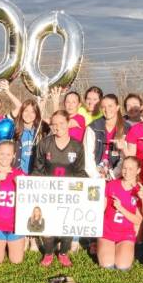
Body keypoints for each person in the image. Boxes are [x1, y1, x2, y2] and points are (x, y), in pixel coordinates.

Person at [33, 110, 88, 267]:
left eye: (61, 123)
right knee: (47, 224)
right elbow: (38, 169)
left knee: (68, 225)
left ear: (68, 123)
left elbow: (79, 171)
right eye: (54, 124)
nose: (58, 127)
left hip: (68, 193)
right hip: (48, 193)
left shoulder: (77, 145)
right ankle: (49, 252)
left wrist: (90, 188)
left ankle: (63, 253)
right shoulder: (44, 144)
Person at [97, 157, 143, 270]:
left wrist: (121, 208)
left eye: (131, 169)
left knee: (122, 267)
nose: (126, 171)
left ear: (138, 170)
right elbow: (101, 208)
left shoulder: (139, 191)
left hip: (126, 234)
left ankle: (124, 248)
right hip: (108, 230)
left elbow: (138, 220)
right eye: (124, 168)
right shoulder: (112, 185)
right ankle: (99, 244)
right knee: (107, 265)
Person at [0, 141, 26, 265]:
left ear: (14, 155)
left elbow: (29, 199)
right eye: (2, 154)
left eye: (8, 154)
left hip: (15, 225)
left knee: (16, 261)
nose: (5, 157)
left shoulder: (20, 174)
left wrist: (21, 186)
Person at [84, 93, 130, 179]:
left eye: (110, 106)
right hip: (96, 177)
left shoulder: (127, 128)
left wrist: (112, 176)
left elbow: (124, 158)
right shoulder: (93, 127)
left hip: (118, 176)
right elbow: (88, 157)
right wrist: (97, 177)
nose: (107, 109)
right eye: (103, 107)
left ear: (117, 107)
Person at [12, 99, 50, 174]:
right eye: (26, 111)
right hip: (17, 174)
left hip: (36, 175)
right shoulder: (14, 130)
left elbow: (58, 122)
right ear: (21, 112)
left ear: (36, 114)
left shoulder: (42, 130)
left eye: (33, 112)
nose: (28, 114)